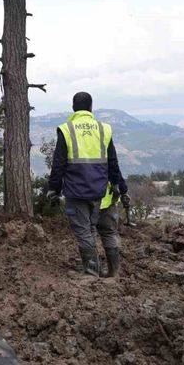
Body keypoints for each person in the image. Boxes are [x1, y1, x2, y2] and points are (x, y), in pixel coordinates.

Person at [49, 92, 128, 277]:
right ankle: (113, 274)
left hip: (77, 192)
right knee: (106, 231)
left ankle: (92, 273)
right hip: (102, 193)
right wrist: (118, 186)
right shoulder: (103, 129)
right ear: (91, 107)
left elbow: (58, 163)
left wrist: (53, 189)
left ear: (73, 108)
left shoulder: (67, 129)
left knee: (85, 232)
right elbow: (113, 162)